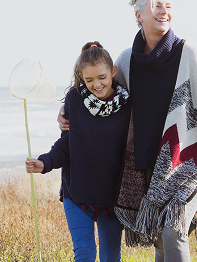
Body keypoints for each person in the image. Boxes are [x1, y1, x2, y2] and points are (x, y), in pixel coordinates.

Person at [58, 0, 197, 262]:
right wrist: (66, 109)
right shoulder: (126, 61)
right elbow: (102, 97)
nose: (164, 11)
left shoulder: (190, 54)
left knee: (173, 230)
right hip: (146, 167)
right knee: (160, 239)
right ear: (139, 14)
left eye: (169, 7)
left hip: (189, 163)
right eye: (158, 5)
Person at [26, 42, 130, 262]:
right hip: (77, 190)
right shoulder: (75, 99)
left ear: (113, 72)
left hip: (112, 195)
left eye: (102, 77)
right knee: (84, 255)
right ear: (81, 77)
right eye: (89, 79)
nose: (96, 84)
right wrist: (45, 163)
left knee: (111, 257)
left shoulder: (127, 104)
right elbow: (67, 143)